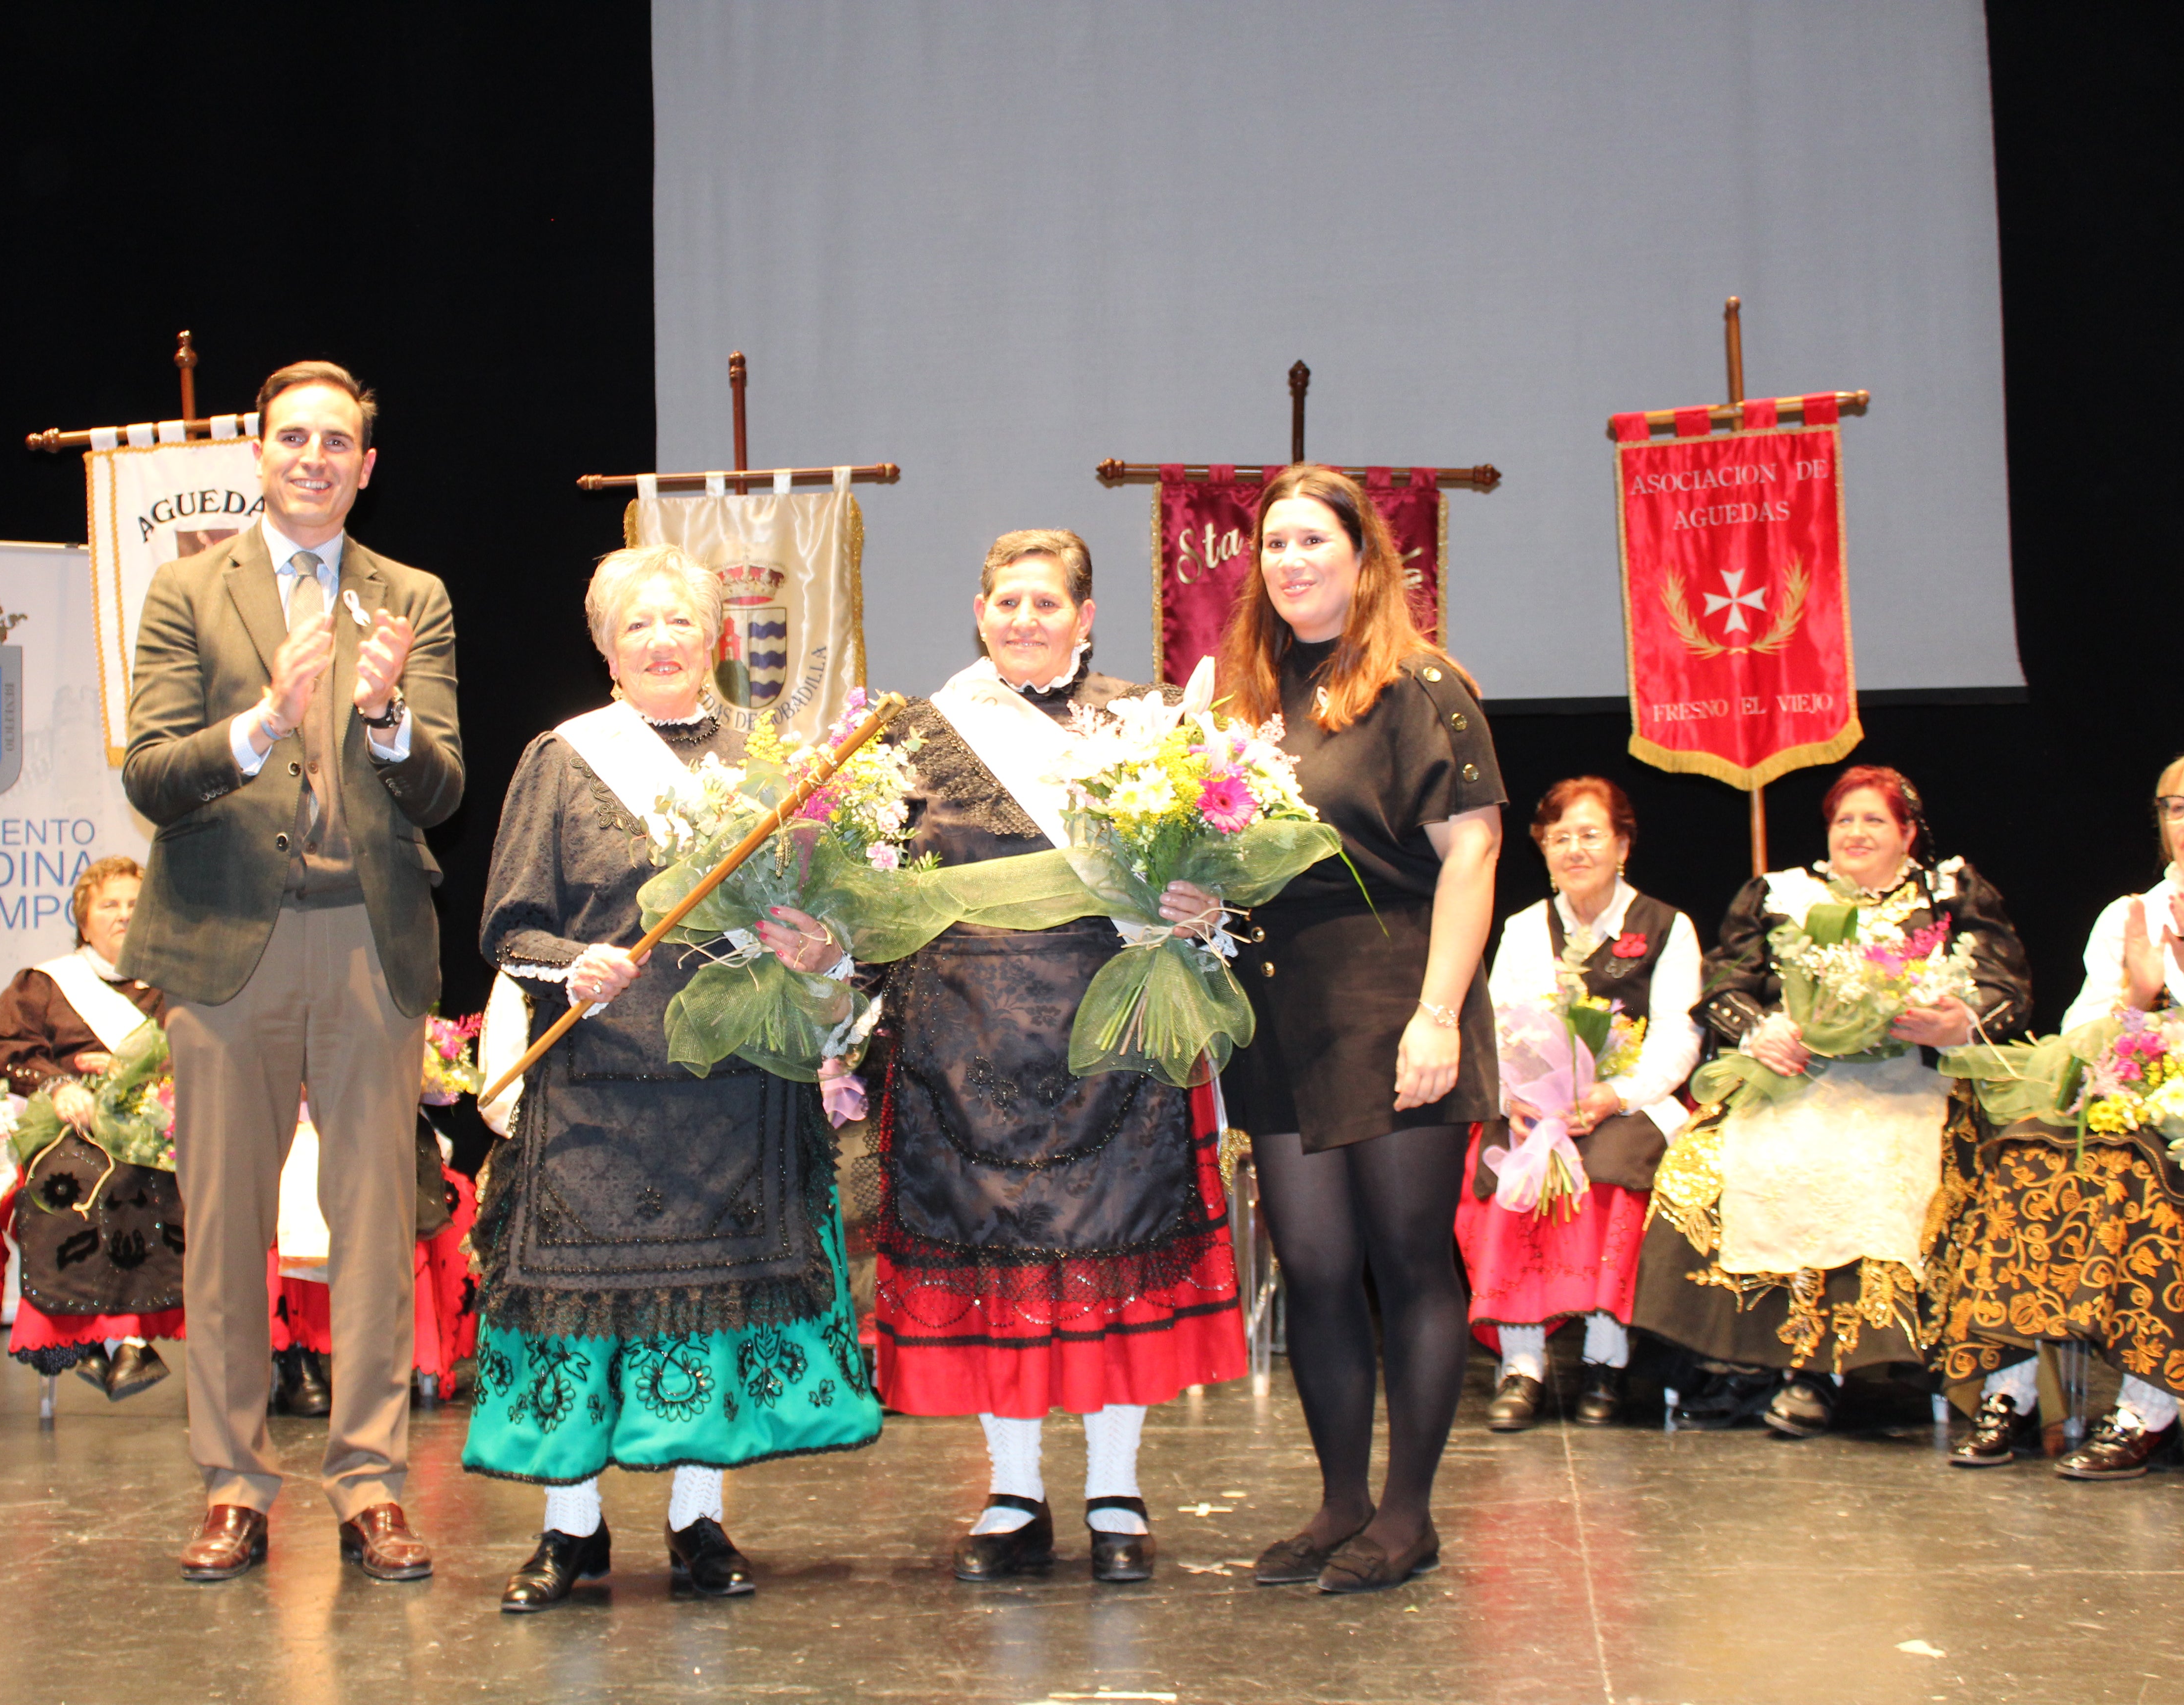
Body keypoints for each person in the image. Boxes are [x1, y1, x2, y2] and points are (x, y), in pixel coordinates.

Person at [462, 543, 879, 1612]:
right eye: (637, 624)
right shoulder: (561, 760)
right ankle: (573, 1532)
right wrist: (571, 964)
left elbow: (838, 922)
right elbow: (510, 926)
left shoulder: (773, 765)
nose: (661, 640)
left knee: (713, 1310)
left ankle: (701, 1520)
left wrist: (818, 948)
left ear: (716, 640)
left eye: (679, 622)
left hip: (738, 1083)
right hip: (599, 1080)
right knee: (577, 1310)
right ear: (606, 647)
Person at [119, 360, 463, 1585]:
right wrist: (265, 719)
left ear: (366, 464)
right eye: (292, 438)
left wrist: (383, 719)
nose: (314, 456)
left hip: (368, 941)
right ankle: (233, 1483)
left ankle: (369, 1482)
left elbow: (442, 789)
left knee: (376, 1226)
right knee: (225, 1228)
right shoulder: (184, 589)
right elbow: (152, 774)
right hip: (226, 945)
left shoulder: (408, 593)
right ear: (257, 455)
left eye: (338, 440)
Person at [863, 527, 1242, 1586]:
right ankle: (1014, 1491)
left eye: (1046, 603)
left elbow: (1208, 864)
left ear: (1086, 618)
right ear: (979, 613)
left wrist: (1203, 903)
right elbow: (878, 884)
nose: (1024, 619)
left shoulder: (1150, 720)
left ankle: (1116, 1489)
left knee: (1110, 1260)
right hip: (962, 1042)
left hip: (1110, 1034)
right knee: (1000, 1268)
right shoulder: (921, 734)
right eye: (1006, 602)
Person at [1215, 465, 1503, 1594]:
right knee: (1318, 1270)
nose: (1290, 561)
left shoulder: (1420, 685)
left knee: (1406, 1260)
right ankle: (1339, 1500)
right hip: (1279, 1013)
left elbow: (1472, 855)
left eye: (1312, 541)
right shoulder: (1239, 699)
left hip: (1394, 995)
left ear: (1360, 555)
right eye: (1274, 544)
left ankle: (1406, 1513)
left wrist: (1436, 1015)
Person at [1634, 765, 2031, 1437]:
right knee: (1709, 1162)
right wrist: (1761, 1031)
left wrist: (1954, 1020)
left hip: (1911, 1080)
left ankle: (1832, 1369)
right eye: (1844, 820)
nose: (1856, 832)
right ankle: (1751, 1365)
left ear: (1908, 833)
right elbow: (1724, 985)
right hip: (1795, 1076)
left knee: (1878, 1165)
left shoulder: (1948, 893)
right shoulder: (1782, 894)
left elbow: (2007, 989)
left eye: (1874, 819)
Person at [1932, 756, 2184, 1478]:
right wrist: (2139, 1002)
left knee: (2140, 1178)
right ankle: (2007, 1394)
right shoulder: (2132, 914)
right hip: (2132, 1098)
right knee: (2025, 1158)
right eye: (2174, 808)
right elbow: (2083, 1036)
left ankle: (2148, 1408)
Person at [1457, 778, 1701, 1430]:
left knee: (1613, 1175)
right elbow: (1501, 1027)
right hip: (1538, 1105)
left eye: (1590, 835)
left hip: (1627, 1105)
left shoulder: (1667, 927)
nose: (1574, 849)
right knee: (1511, 1170)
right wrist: (1523, 1097)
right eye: (1558, 838)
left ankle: (1605, 1362)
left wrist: (1613, 1095)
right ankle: (1522, 1364)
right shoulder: (1523, 928)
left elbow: (1681, 1038)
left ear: (1622, 844)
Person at [0, 855, 177, 1400]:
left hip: (158, 1127)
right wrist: (57, 1085)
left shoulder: (177, 987)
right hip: (73, 1123)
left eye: (136, 905)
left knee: (152, 1176)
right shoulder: (46, 984)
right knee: (77, 1179)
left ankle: (117, 1343)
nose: (123, 915)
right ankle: (110, 1342)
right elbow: (3, 1048)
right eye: (109, 904)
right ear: (83, 920)